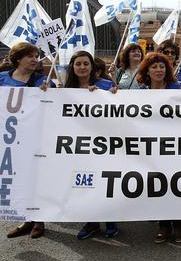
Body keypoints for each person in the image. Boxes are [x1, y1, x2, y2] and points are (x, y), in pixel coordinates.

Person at [58, 51, 119, 239]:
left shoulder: (105, 85)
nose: (82, 67)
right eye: (78, 64)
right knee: (85, 185)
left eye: (86, 63)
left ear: (92, 67)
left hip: (104, 144)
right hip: (79, 147)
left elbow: (120, 108)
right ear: (72, 67)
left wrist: (113, 94)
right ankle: (91, 223)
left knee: (106, 184)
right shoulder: (66, 89)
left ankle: (110, 221)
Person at [136, 53, 181, 243]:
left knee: (176, 185)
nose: (158, 70)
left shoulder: (179, 89)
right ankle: (164, 225)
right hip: (151, 148)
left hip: (176, 147)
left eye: (162, 67)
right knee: (158, 186)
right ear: (147, 71)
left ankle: (179, 224)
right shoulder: (139, 93)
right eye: (154, 67)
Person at [2, 42, 54, 239]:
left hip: (35, 139)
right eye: (30, 56)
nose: (35, 59)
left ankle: (38, 220)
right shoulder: (2, 79)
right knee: (18, 179)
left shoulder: (42, 81)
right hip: (9, 139)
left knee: (36, 179)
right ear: (17, 59)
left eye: (37, 56)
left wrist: (49, 92)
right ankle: (26, 220)